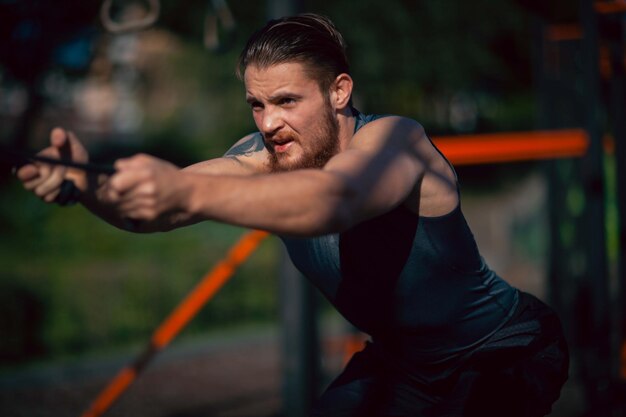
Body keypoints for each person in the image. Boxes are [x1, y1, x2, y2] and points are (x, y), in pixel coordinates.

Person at [17, 13, 568, 417]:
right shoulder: (261, 158)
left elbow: (333, 201)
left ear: (338, 92)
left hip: (502, 350)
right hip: (403, 365)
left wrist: (182, 192)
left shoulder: (395, 140)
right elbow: (151, 213)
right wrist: (86, 185)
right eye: (257, 104)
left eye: (286, 101)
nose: (269, 122)